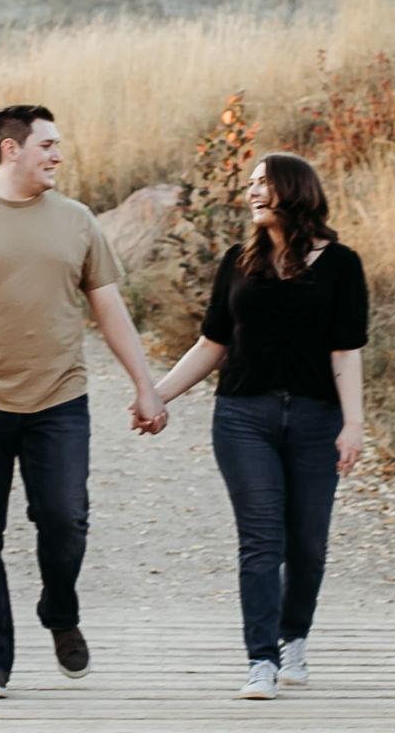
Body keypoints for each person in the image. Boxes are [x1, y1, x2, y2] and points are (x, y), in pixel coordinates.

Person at [0, 104, 169, 699]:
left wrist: (145, 385)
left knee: (66, 521)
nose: (57, 155)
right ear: (10, 149)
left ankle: (60, 608)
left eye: (58, 144)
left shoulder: (77, 221)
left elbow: (109, 308)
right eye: (46, 144)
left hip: (59, 398)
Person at [149, 151, 367, 699]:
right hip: (244, 416)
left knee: (308, 543)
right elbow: (212, 345)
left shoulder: (342, 265)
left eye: (262, 183)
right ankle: (260, 660)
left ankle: (294, 638)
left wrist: (354, 424)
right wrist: (157, 396)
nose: (251, 192)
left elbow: (346, 352)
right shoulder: (237, 262)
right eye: (249, 183)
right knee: (261, 538)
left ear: (293, 190)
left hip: (317, 418)